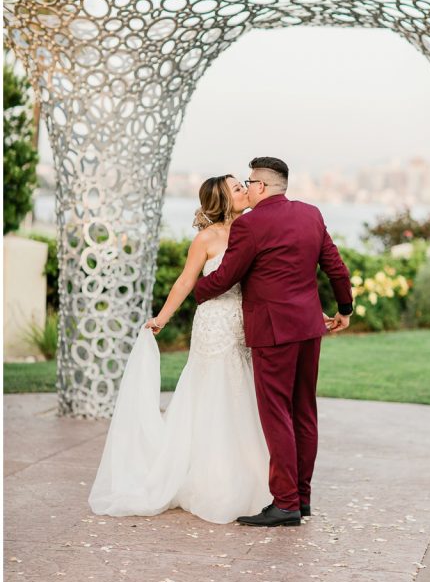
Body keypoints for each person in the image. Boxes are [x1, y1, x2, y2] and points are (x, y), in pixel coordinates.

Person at [89, 175, 272, 524]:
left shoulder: (255, 228)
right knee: (212, 393)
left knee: (241, 392)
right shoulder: (207, 237)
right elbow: (187, 280)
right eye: (237, 188)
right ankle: (211, 478)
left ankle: (251, 474)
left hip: (243, 324)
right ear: (222, 198)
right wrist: (162, 317)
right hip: (213, 325)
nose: (244, 190)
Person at [193, 156, 354, 527]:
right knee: (304, 412)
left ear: (262, 186)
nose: (246, 187)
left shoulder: (251, 225)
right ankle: (303, 498)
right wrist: (344, 308)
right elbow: (336, 267)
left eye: (249, 182)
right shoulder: (311, 214)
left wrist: (197, 291)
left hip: (272, 334)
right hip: (310, 328)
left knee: (277, 414)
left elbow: (226, 276)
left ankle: (285, 503)